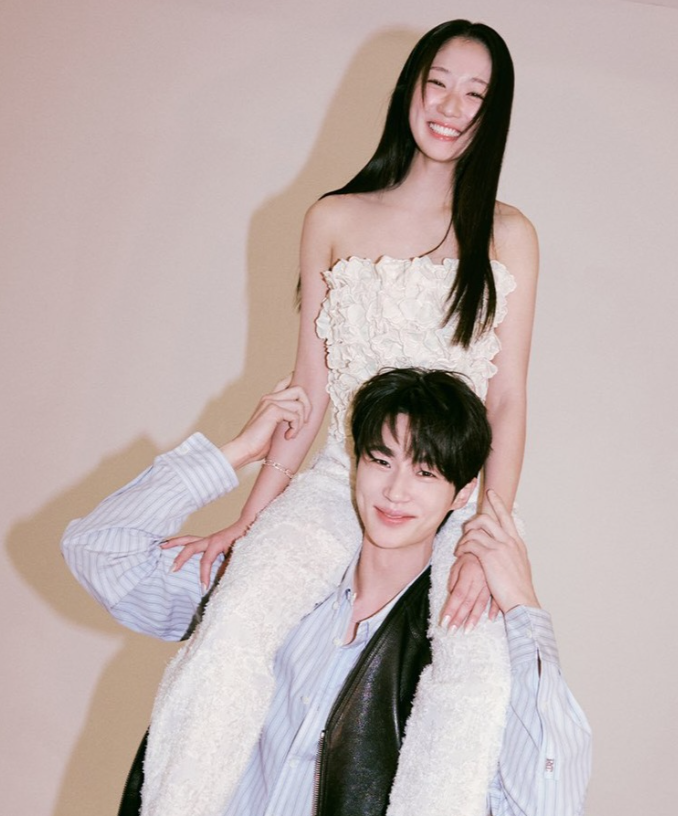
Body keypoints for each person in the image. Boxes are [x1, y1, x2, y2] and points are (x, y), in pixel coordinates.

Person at [132, 19, 540, 815]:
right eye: (437, 83)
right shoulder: (332, 218)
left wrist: (485, 535)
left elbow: (510, 397)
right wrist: (249, 520)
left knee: (475, 678)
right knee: (230, 628)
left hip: (452, 494)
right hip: (336, 478)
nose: (450, 106)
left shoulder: (510, 235)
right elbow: (309, 391)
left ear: (493, 113)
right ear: (410, 89)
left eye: (474, 94)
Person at [62, 369, 591, 816]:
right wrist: (238, 453)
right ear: (355, 463)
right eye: (381, 461)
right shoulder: (259, 588)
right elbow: (100, 551)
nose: (396, 491)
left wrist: (523, 607)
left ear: (463, 493)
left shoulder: (464, 659)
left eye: (426, 472)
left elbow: (547, 802)